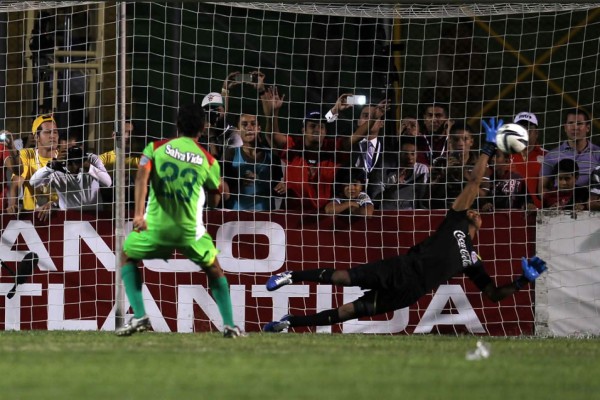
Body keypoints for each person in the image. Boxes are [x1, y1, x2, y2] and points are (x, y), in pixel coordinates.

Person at [262, 118, 548, 333]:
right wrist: (486, 149)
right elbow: (474, 183)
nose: (475, 210)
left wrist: (523, 281)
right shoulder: (457, 219)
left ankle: (290, 323)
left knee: (348, 311)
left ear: (481, 224)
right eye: (474, 207)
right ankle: (291, 275)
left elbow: (494, 294)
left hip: (409, 292)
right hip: (400, 268)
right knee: (343, 278)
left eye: (477, 210)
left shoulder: (472, 258)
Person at [116, 103, 243, 338]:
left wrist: (138, 214)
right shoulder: (209, 160)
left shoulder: (154, 148)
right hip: (189, 232)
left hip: (155, 227)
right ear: (203, 129)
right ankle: (229, 325)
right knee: (214, 269)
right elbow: (220, 192)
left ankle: (140, 315)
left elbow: (141, 178)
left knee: (126, 256)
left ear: (177, 124)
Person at [222, 111, 283, 211]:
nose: (249, 128)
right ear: (238, 131)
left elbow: (276, 188)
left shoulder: (272, 156)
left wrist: (281, 188)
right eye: (244, 124)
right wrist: (240, 182)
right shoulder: (230, 154)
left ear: (259, 128)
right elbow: (223, 189)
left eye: (253, 124)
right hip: (237, 217)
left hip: (265, 218)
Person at [5, 113, 60, 220]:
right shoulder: (28, 155)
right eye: (48, 132)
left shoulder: (63, 157)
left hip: (58, 216)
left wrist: (54, 204)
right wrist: (12, 204)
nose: (53, 136)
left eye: (55, 132)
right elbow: (16, 182)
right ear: (36, 136)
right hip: (32, 218)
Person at [540, 108, 600, 197]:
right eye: (570, 123)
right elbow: (541, 189)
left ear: (588, 128)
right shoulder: (552, 155)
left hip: (590, 208)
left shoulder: (598, 154)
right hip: (559, 208)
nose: (575, 127)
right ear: (565, 127)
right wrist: (557, 201)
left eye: (579, 123)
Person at [30, 146, 112, 210]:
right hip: (68, 217)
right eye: (65, 151)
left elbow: (108, 183)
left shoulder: (91, 159)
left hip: (94, 215)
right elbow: (33, 182)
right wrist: (49, 167)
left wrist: (87, 166)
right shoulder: (55, 168)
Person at [369, 137, 429, 210]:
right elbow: (375, 200)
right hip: (388, 214)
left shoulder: (421, 170)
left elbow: (424, 201)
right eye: (405, 154)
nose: (410, 158)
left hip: (410, 215)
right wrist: (394, 188)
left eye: (413, 153)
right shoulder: (384, 169)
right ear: (397, 154)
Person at [509, 112, 546, 208]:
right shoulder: (505, 156)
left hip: (540, 215)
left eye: (528, 129)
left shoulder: (548, 156)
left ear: (536, 133)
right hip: (508, 213)